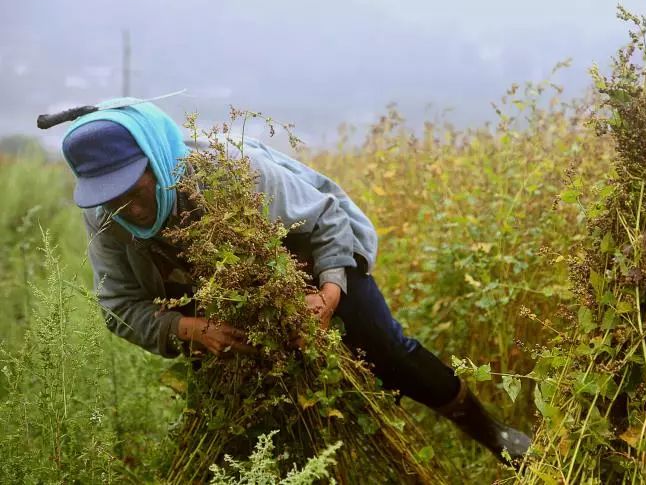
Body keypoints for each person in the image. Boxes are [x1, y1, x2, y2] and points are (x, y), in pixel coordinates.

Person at [59, 99, 530, 464]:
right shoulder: (107, 218)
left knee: (385, 349)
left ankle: (494, 436)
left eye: (130, 187)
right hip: (214, 311)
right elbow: (118, 305)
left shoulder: (233, 173)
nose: (124, 206)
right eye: (107, 196)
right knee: (234, 416)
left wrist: (328, 292)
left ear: (155, 162)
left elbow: (325, 220)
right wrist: (191, 329)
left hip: (311, 263)